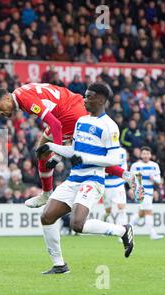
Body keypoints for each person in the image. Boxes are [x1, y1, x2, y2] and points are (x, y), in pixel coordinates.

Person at [0, 82, 144, 208]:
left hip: (69, 114)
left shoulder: (25, 100)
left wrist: (57, 154)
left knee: (74, 156)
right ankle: (128, 176)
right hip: (70, 106)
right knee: (47, 153)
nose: (0, 113)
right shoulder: (21, 93)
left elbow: (55, 124)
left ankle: (47, 194)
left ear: (7, 98)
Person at [35, 83, 134, 274]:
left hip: (93, 179)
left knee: (77, 225)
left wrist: (87, 158)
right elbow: (74, 151)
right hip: (75, 178)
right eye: (85, 96)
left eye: (89, 97)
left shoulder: (109, 126)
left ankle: (123, 230)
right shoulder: (81, 121)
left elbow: (114, 158)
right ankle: (59, 265)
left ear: (101, 100)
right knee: (47, 217)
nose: (84, 100)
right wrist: (52, 148)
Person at [129, 147, 165, 240]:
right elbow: (130, 179)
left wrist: (153, 178)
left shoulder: (154, 165)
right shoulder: (135, 165)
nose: (145, 156)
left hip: (150, 191)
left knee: (141, 213)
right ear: (141, 155)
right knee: (149, 211)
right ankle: (152, 234)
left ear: (150, 155)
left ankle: (124, 231)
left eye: (147, 154)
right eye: (144, 153)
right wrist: (131, 189)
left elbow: (159, 180)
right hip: (140, 191)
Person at [103, 147, 129, 227]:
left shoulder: (122, 151)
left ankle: (123, 232)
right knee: (108, 211)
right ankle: (105, 219)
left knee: (121, 208)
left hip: (118, 183)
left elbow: (124, 165)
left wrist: (120, 173)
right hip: (106, 184)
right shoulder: (102, 150)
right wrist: (107, 172)